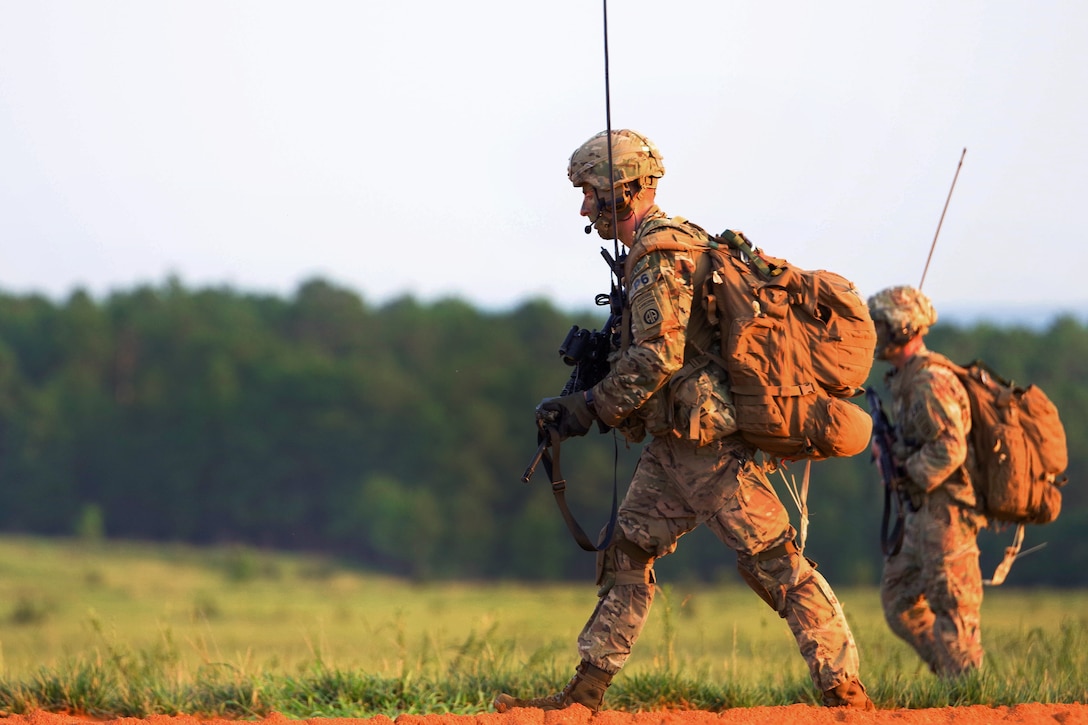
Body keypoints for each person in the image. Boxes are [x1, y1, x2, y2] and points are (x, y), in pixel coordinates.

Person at [493, 129, 873, 712]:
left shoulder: (659, 255)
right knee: (625, 555)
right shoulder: (675, 245)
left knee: (776, 564)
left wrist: (588, 408)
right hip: (677, 444)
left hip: (707, 448)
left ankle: (844, 693)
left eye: (591, 192)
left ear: (623, 192)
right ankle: (585, 694)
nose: (584, 207)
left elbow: (656, 358)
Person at [867, 285, 985, 677]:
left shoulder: (930, 381)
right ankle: (955, 680)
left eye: (880, 324)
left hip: (947, 513)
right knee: (899, 599)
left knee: (954, 610)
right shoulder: (907, 377)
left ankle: (969, 700)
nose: (874, 332)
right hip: (921, 513)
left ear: (902, 328)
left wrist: (906, 471)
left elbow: (951, 448)